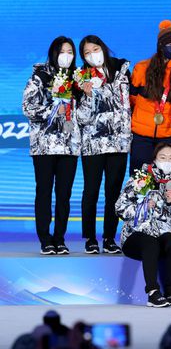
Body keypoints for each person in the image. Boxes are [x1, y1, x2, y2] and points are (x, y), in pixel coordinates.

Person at [22, 36, 81, 255]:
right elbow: (28, 107)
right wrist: (53, 110)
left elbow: (84, 113)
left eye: (71, 52)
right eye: (63, 51)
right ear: (54, 53)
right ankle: (45, 239)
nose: (67, 56)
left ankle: (59, 238)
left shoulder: (78, 78)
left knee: (64, 194)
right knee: (44, 191)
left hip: (69, 145)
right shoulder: (40, 76)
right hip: (45, 145)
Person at [76, 35, 131, 254]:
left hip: (119, 143)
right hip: (93, 143)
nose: (92, 55)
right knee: (91, 191)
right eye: (87, 53)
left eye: (95, 49)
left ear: (104, 48)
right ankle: (90, 237)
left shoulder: (123, 71)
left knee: (114, 192)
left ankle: (109, 237)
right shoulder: (80, 77)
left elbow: (131, 103)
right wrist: (88, 96)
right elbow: (81, 117)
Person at [115, 143, 171, 307]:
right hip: (136, 236)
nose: (167, 161)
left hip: (161, 236)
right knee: (150, 243)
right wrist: (142, 208)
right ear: (154, 159)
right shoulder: (140, 179)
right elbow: (119, 207)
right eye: (163, 157)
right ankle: (153, 292)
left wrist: (170, 203)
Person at [129, 20, 171, 174]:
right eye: (170, 45)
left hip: (168, 135)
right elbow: (131, 100)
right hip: (142, 135)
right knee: (138, 181)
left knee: (167, 181)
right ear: (160, 46)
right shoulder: (141, 68)